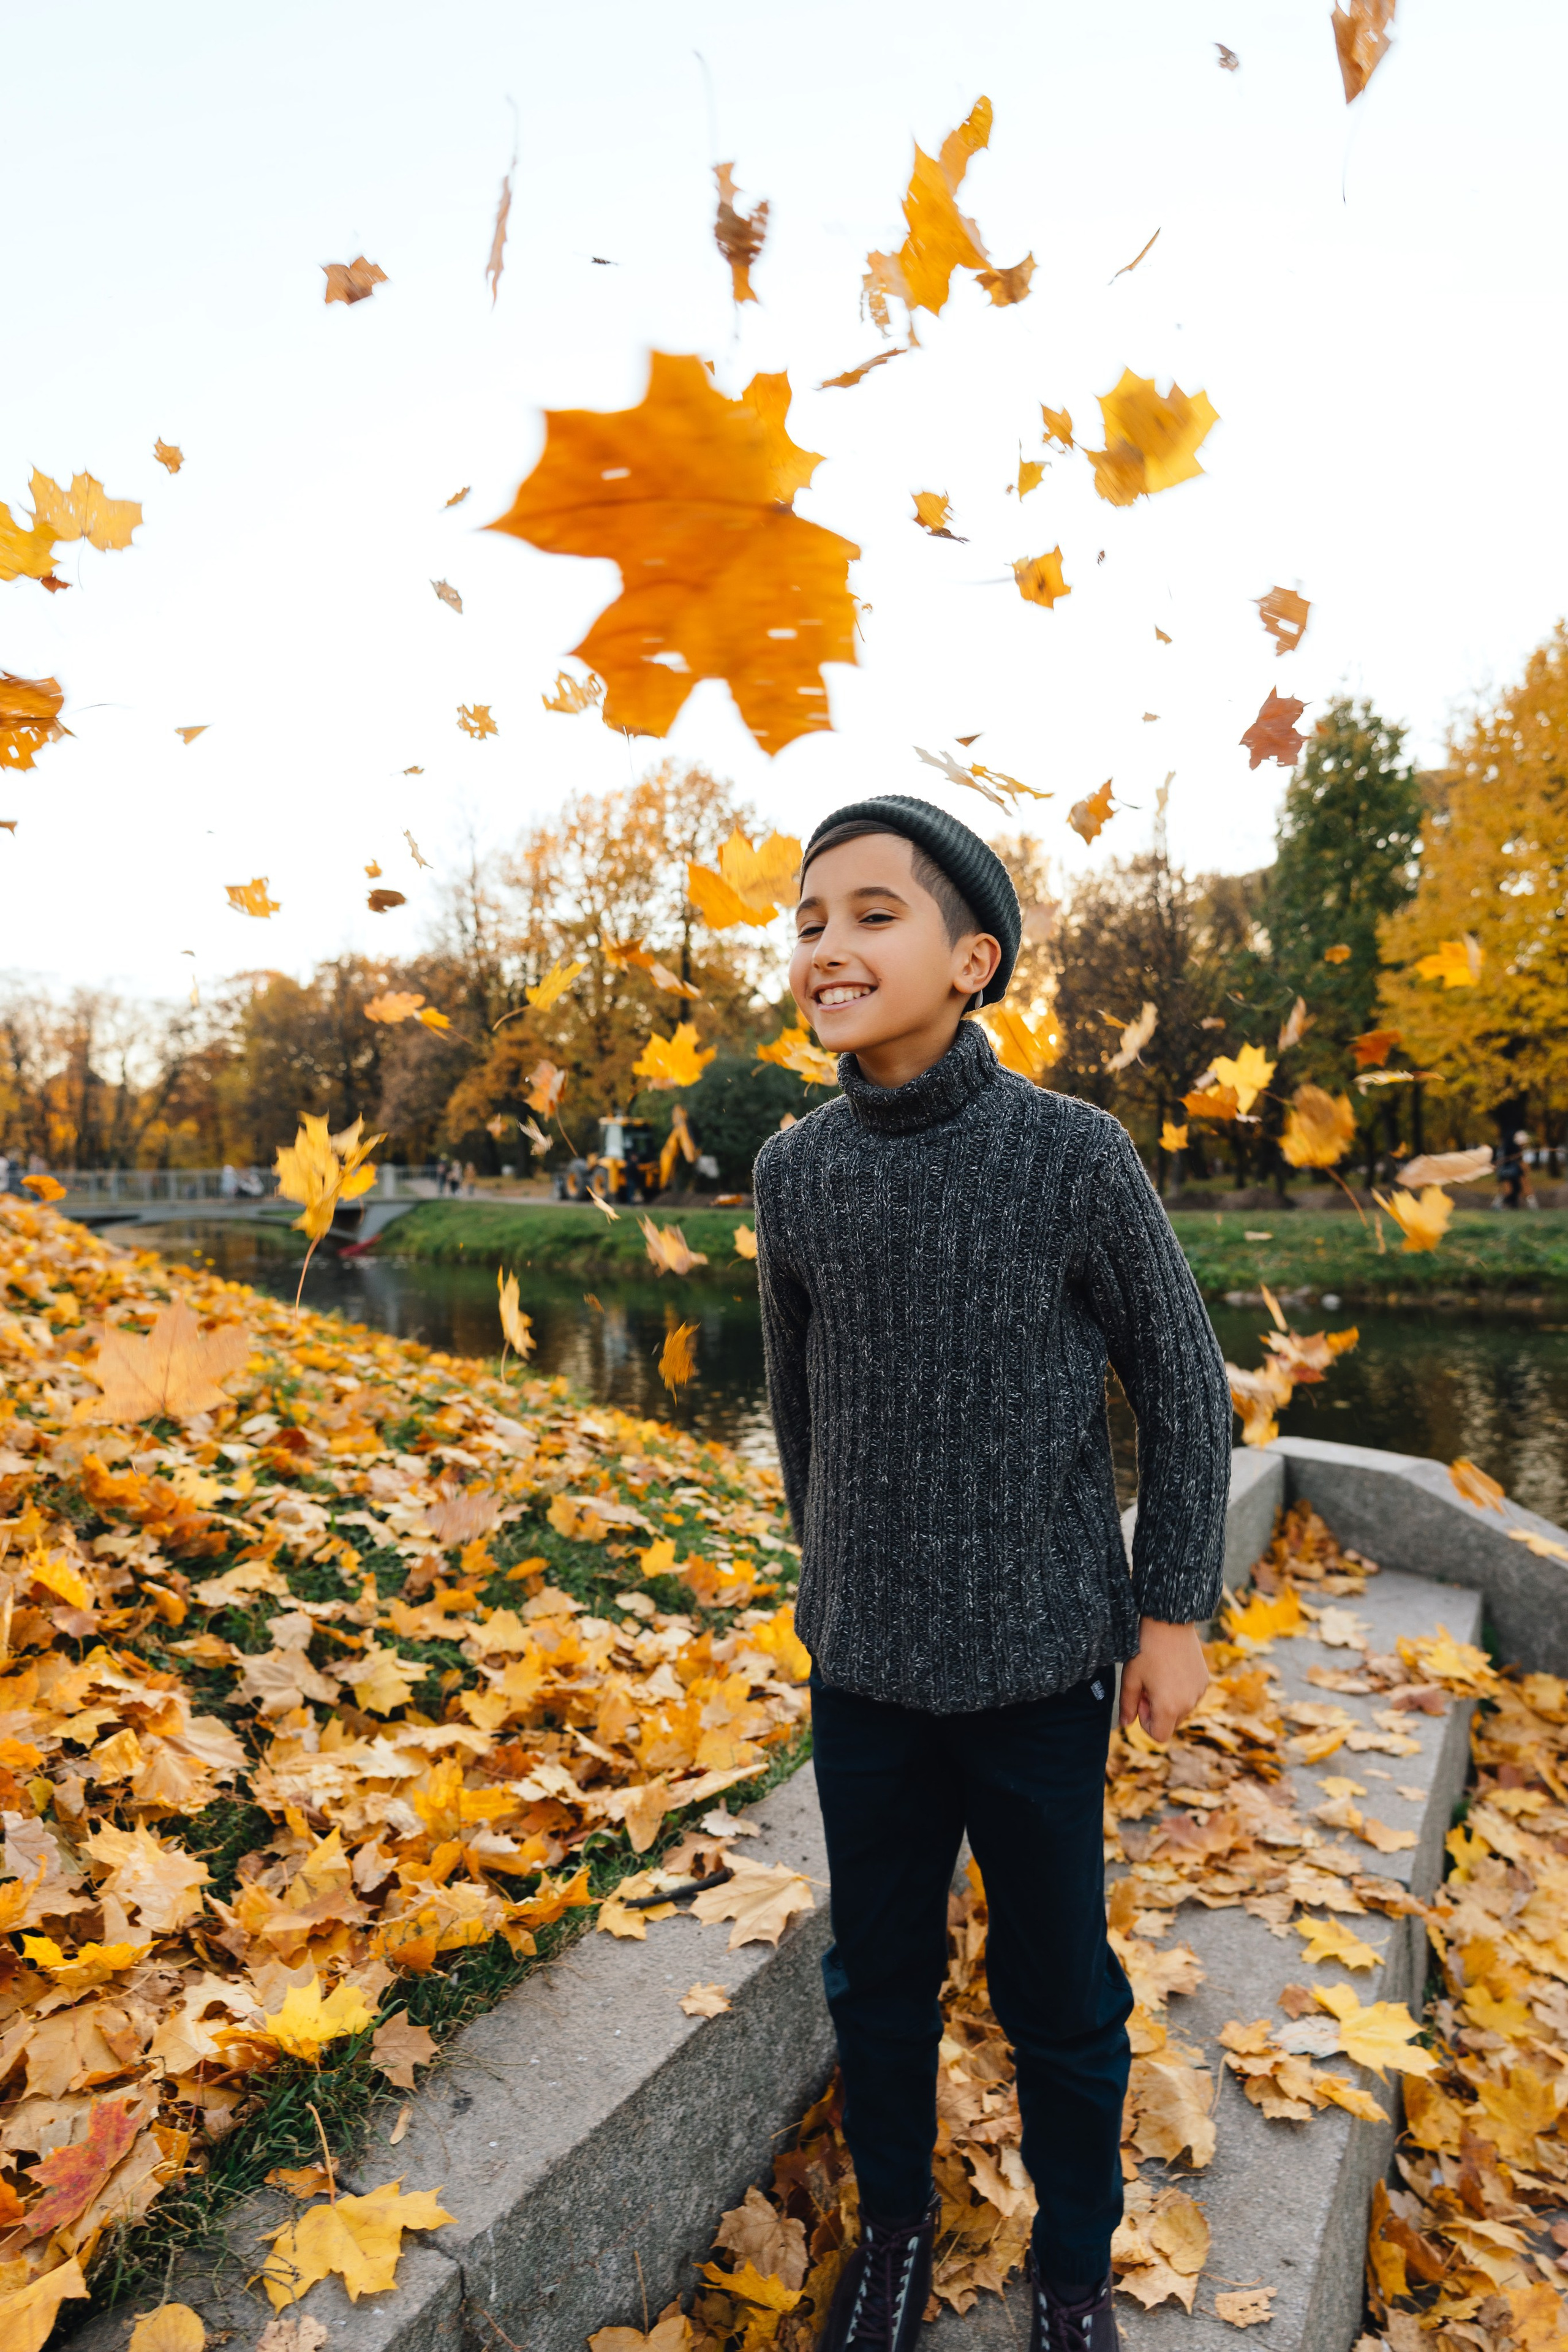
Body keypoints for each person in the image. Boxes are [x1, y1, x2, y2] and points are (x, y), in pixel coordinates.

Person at [752, 798, 1231, 2352]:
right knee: (874, 1973)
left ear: (972, 960)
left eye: (870, 914)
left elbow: (1183, 1389)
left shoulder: (1070, 1156)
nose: (829, 944)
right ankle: (893, 2236)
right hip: (865, 1674)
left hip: (1037, 1667)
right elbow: (795, 1404)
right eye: (811, 917)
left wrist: (1170, 1614)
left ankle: (1073, 2268)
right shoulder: (794, 1172)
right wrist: (838, 1582)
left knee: (1059, 1993)